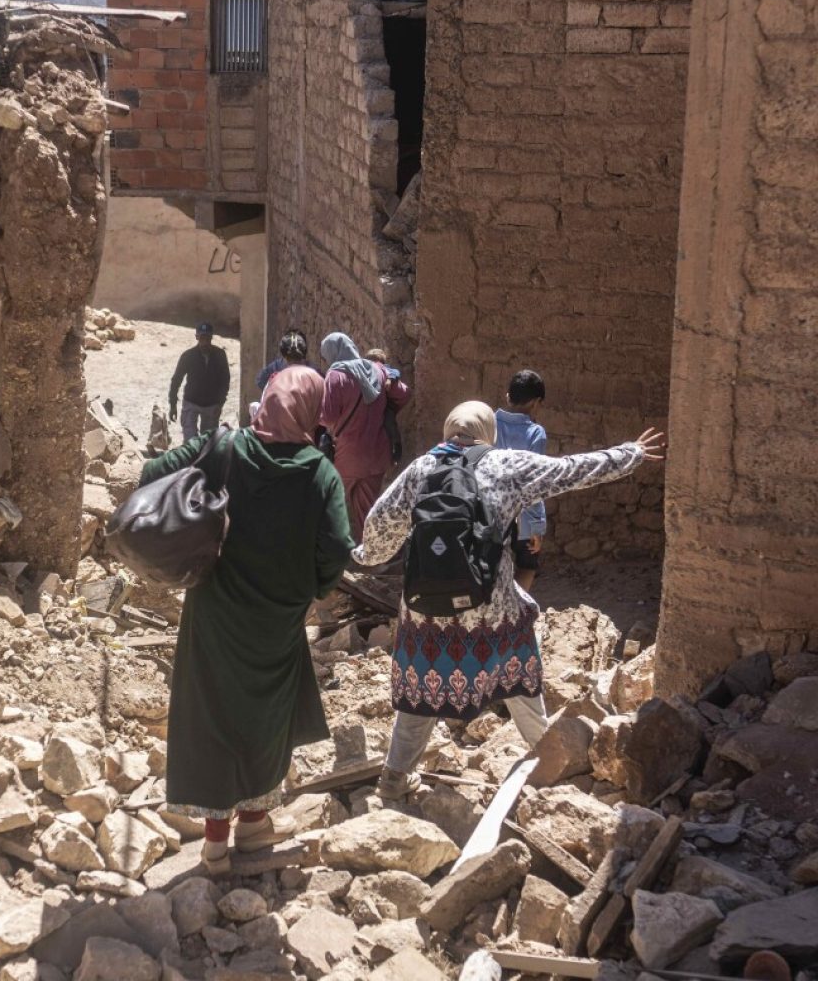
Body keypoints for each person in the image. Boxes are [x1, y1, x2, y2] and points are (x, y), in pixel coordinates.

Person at [352, 401, 665, 799]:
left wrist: (361, 557)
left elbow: (377, 534)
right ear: (488, 432)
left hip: (425, 613)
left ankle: (394, 778)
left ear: (449, 430)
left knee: (418, 697)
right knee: (520, 680)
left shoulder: (419, 470)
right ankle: (552, 764)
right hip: (491, 609)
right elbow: (572, 471)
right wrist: (630, 454)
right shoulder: (508, 466)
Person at [137, 365, 355, 874]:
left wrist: (200, 509)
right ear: (311, 410)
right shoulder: (318, 471)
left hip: (214, 608)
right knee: (265, 717)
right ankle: (254, 822)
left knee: (213, 714)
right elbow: (338, 546)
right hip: (278, 617)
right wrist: (314, 588)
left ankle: (217, 841)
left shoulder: (226, 447)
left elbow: (151, 476)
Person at [319, 332, 411, 541]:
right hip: (377, 453)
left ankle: (332, 554)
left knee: (332, 504)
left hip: (348, 457)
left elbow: (327, 417)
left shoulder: (335, 375)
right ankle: (372, 557)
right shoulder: (377, 370)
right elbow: (404, 393)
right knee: (367, 509)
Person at [496, 370, 548, 592]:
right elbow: (533, 484)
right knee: (527, 565)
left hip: (490, 512)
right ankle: (516, 614)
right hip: (521, 515)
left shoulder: (488, 422)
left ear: (508, 397)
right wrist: (535, 527)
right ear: (537, 403)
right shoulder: (536, 433)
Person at [169, 323, 230, 443]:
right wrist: (173, 404)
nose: (205, 342)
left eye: (207, 338)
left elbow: (225, 380)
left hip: (212, 405)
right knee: (190, 442)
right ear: (197, 337)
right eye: (202, 338)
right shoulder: (188, 356)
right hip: (191, 402)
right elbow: (176, 379)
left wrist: (220, 403)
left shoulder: (220, 355)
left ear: (211, 338)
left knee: (208, 443)